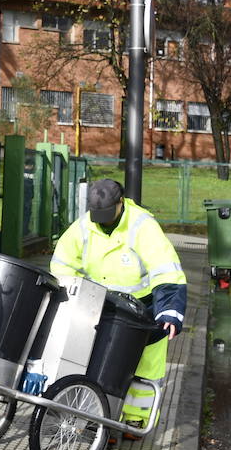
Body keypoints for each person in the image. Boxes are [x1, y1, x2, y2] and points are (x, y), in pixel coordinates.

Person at [44, 178, 187, 436]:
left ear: (121, 203)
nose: (103, 220)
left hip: (144, 309)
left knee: (146, 366)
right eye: (98, 215)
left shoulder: (142, 225)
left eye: (108, 214)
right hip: (101, 304)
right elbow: (62, 261)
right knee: (99, 360)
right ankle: (99, 418)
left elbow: (165, 267)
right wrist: (71, 292)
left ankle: (134, 420)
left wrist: (170, 310)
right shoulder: (84, 226)